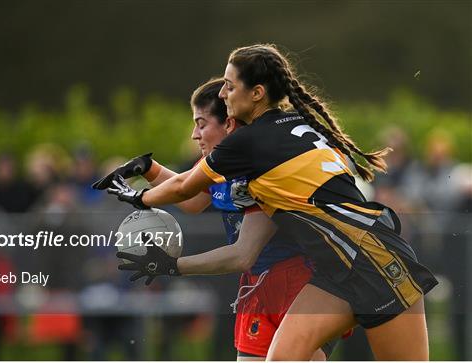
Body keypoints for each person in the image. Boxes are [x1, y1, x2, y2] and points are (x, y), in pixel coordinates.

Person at [107, 44, 438, 360]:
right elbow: (198, 197)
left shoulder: (250, 142)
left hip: (376, 261)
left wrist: (136, 196)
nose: (223, 94)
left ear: (257, 93)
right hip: (337, 271)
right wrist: (148, 173)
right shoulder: (291, 126)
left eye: (229, 86)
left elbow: (183, 188)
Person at [94, 78, 337, 360]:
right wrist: (148, 168)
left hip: (299, 284)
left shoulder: (262, 168)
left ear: (230, 123)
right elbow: (194, 199)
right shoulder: (221, 162)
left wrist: (169, 265)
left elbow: (242, 255)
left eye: (201, 123)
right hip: (259, 284)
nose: (195, 135)